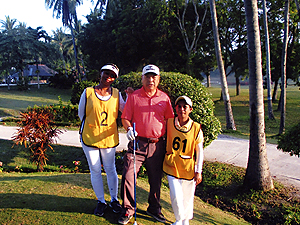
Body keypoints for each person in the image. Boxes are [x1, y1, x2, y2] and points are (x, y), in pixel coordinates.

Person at [118, 64, 174, 224]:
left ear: (158, 79)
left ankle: (154, 208)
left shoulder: (164, 98)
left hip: (157, 145)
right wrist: (128, 129)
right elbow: (125, 117)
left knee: (155, 180)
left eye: (154, 76)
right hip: (137, 144)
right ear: (142, 78)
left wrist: (169, 145)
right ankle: (128, 210)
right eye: (147, 76)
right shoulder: (134, 96)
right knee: (129, 176)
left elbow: (169, 120)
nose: (151, 79)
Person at [78, 63, 127, 217]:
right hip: (90, 136)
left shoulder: (116, 94)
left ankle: (114, 200)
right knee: (95, 170)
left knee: (110, 168)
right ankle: (101, 201)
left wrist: (131, 97)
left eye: (112, 75)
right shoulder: (88, 92)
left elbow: (125, 110)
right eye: (106, 73)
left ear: (115, 79)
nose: (108, 77)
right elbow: (82, 114)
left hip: (108, 137)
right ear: (101, 73)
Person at [163, 96, 204, 225]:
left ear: (190, 109)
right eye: (179, 107)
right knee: (176, 195)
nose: (182, 110)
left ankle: (185, 220)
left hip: (188, 167)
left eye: (185, 107)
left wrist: (199, 171)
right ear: (175, 108)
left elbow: (200, 151)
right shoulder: (169, 123)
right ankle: (179, 219)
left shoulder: (196, 128)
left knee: (187, 196)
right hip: (172, 164)